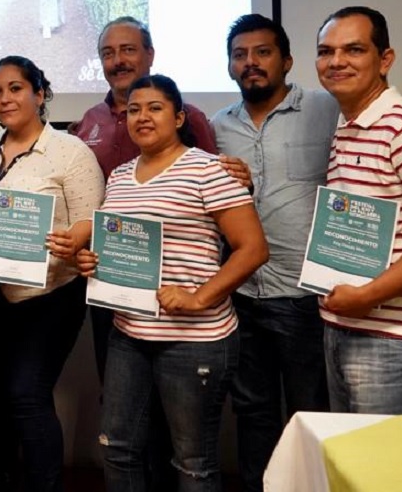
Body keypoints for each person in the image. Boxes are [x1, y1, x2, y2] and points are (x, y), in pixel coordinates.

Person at [59, 74, 268, 492]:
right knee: (117, 447)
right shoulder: (118, 177)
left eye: (154, 108)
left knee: (192, 462)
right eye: (134, 110)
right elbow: (113, 249)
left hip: (194, 338)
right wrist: (90, 261)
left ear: (178, 116)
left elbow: (252, 249)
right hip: (128, 334)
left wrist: (198, 298)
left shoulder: (210, 170)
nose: (142, 117)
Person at [73, 17, 219, 491]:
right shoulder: (89, 122)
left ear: (149, 55)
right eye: (109, 52)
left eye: (129, 49)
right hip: (116, 296)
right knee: (125, 422)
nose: (119, 60)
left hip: (182, 301)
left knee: (181, 437)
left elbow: (218, 197)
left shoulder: (192, 119)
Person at [211, 14, 336, 492]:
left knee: (313, 413)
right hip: (243, 295)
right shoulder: (219, 126)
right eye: (240, 55)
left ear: (286, 60)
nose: (251, 63)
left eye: (262, 53)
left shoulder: (327, 109)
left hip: (308, 296)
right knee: (253, 413)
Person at [0, 56, 103, 492]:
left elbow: (91, 220)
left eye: (15, 88)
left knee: (27, 394)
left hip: (50, 296)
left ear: (39, 94)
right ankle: (2, 479)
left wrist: (74, 238)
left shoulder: (69, 150)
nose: (5, 98)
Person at [314, 6, 402, 415]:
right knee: (354, 468)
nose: (336, 61)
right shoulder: (349, 125)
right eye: (326, 51)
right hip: (347, 326)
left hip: (399, 339)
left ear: (384, 59)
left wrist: (368, 296)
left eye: (353, 49)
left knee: (390, 475)